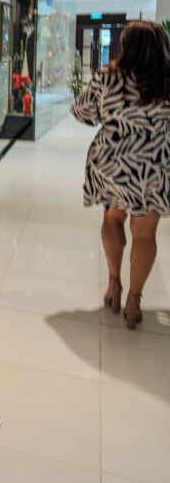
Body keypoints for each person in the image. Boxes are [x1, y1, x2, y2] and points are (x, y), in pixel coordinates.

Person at [70, 20, 170, 329]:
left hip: (114, 162)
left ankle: (114, 284)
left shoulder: (107, 77)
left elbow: (81, 112)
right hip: (154, 165)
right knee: (145, 233)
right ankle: (134, 300)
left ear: (125, 46)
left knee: (113, 218)